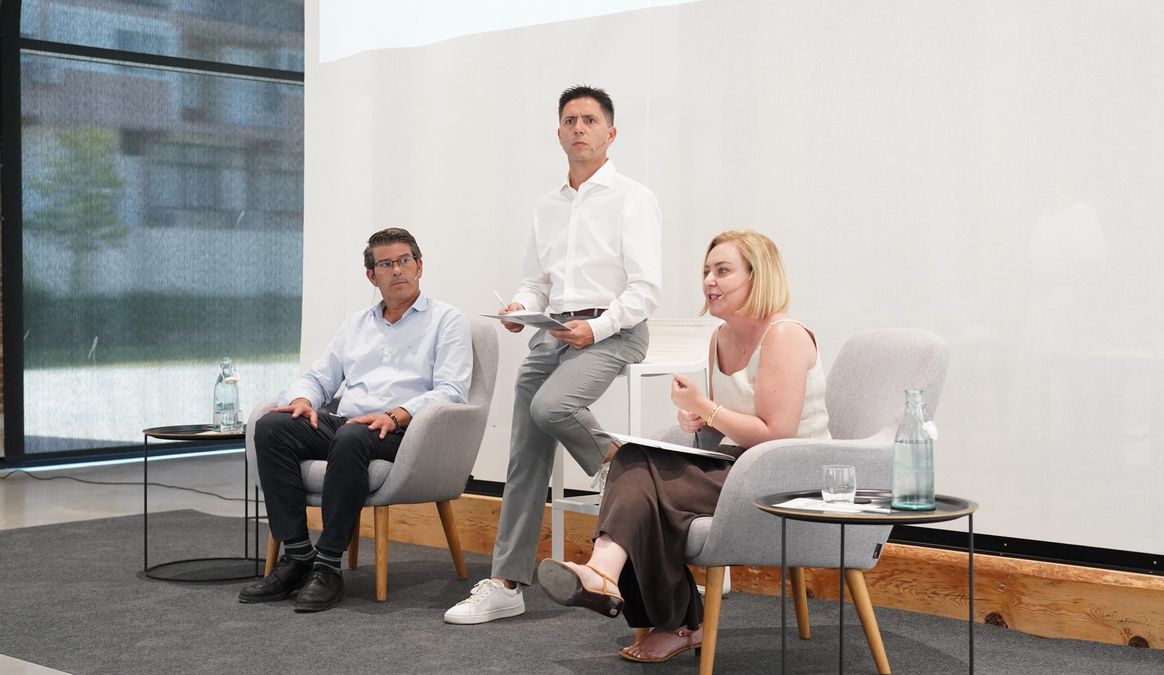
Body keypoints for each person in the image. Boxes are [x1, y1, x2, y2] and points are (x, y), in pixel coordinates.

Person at [537, 229, 831, 663]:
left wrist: (707, 409)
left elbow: (777, 434)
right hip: (745, 465)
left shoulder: (784, 336)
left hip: (792, 475)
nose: (709, 281)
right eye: (707, 271)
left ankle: (663, 613)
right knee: (632, 460)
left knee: (642, 476)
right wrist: (694, 419)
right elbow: (719, 432)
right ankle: (615, 581)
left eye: (723, 271)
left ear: (758, 277)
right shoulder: (719, 339)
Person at [444, 85, 662, 624]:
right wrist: (522, 307)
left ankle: (626, 463)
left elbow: (645, 290)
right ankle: (505, 582)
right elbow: (536, 281)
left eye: (590, 120)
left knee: (549, 407)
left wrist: (599, 328)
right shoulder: (547, 206)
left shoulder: (633, 198)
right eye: (570, 120)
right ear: (559, 132)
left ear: (611, 134)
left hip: (616, 329)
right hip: (554, 332)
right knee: (525, 455)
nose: (579, 128)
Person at [238, 227, 473, 612]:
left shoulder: (447, 320)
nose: (397, 270)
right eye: (386, 264)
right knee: (273, 427)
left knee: (350, 437)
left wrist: (397, 415)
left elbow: (452, 390)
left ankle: (328, 567)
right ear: (371, 276)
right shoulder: (356, 324)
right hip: (349, 422)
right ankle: (298, 556)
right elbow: (319, 378)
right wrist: (303, 399)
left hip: (409, 431)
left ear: (419, 266)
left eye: (404, 261)